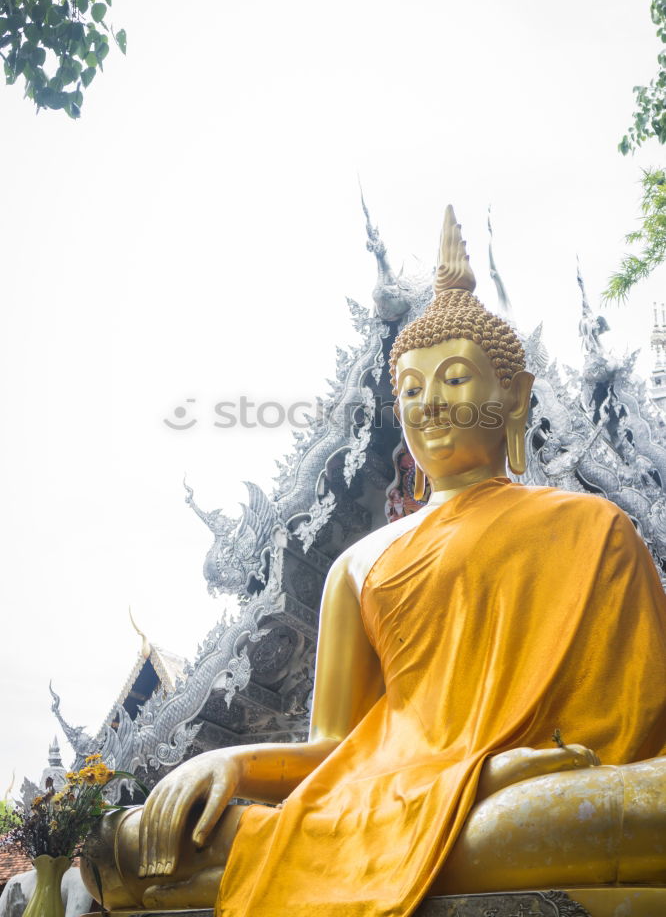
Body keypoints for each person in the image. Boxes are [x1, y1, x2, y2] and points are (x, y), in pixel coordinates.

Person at [82, 207, 666, 917]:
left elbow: (633, 740)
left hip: (543, 797)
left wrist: (492, 779)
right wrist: (227, 761)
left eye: (453, 379)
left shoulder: (594, 528)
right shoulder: (356, 565)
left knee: (628, 808)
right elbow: (335, 749)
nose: (428, 406)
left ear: (514, 394)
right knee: (128, 844)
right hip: (391, 802)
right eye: (410, 391)